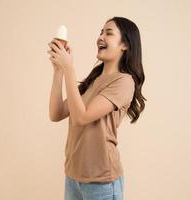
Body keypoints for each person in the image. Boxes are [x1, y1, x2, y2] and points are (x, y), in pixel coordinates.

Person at [47, 16, 146, 200]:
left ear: (125, 45)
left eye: (108, 33)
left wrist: (69, 68)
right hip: (73, 177)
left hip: (101, 182)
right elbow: (56, 113)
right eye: (101, 32)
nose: (101, 37)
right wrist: (59, 71)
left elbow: (82, 117)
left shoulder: (124, 82)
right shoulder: (94, 80)